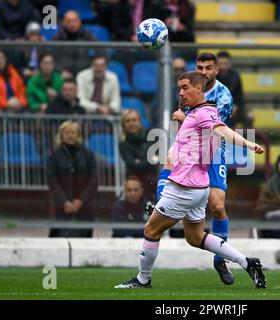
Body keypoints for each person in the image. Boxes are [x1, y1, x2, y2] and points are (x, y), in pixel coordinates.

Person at [114, 71, 266, 289]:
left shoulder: (205, 113)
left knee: (150, 230)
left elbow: (223, 131)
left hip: (183, 188)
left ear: (199, 89)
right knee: (195, 237)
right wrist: (184, 119)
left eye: (185, 87)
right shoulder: (197, 113)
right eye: (179, 88)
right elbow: (201, 133)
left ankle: (142, 279)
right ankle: (247, 262)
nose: (181, 92)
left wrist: (249, 144)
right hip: (198, 187)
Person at [154, 53, 235, 286]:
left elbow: (214, 129)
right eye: (200, 67)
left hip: (213, 148)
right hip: (188, 144)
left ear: (216, 70)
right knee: (169, 156)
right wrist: (182, 121)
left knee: (217, 206)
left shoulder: (223, 95)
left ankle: (221, 259)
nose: (205, 72)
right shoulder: (188, 88)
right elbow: (184, 126)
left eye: (209, 67)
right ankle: (161, 205)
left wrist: (184, 116)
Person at [47, 121, 98, 238]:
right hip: (61, 207)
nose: (70, 135)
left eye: (73, 132)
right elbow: (52, 181)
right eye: (67, 132)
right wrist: (65, 201)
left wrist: (81, 200)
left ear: (78, 135)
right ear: (61, 135)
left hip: (84, 207)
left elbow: (93, 180)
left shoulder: (88, 155)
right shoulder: (54, 156)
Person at [119, 109, 158, 199]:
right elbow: (132, 164)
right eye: (128, 121)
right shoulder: (123, 144)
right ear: (123, 124)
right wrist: (146, 159)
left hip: (152, 181)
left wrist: (138, 161)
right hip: (134, 184)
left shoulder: (152, 135)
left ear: (140, 121)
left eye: (134, 120)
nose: (131, 123)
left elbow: (154, 161)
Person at [52, 10, 97, 78]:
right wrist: (60, 71)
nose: (72, 24)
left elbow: (99, 52)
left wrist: (90, 69)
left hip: (85, 74)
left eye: (75, 21)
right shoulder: (58, 37)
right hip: (64, 75)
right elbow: (52, 57)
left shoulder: (88, 35)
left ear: (80, 22)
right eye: (69, 21)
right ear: (64, 22)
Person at [216, 51, 253, 129]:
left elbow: (239, 96)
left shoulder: (235, 76)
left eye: (225, 64)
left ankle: (249, 140)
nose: (223, 67)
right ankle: (223, 139)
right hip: (216, 109)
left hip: (234, 107)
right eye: (220, 64)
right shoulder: (212, 77)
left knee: (249, 116)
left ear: (230, 64)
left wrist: (235, 106)